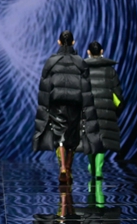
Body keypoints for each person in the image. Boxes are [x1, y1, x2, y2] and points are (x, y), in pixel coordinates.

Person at [34, 30, 93, 185]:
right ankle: (68, 168)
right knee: (73, 137)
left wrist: (44, 106)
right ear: (73, 42)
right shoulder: (80, 62)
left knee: (59, 134)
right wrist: (87, 108)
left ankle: (62, 168)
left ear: (59, 42)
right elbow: (86, 89)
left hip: (57, 103)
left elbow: (45, 87)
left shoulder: (51, 62)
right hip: (75, 104)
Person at [82, 41, 124, 180]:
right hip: (106, 109)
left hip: (88, 109)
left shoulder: (82, 70)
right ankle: (99, 169)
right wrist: (117, 109)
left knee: (90, 139)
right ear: (102, 52)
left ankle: (92, 166)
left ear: (88, 52)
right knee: (103, 140)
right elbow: (117, 93)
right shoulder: (110, 70)